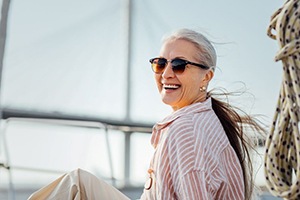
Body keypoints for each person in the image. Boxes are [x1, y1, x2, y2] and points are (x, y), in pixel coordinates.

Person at [28, 28, 264, 200]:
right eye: (161, 64)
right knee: (78, 182)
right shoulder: (204, 119)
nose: (166, 74)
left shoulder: (186, 129)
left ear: (206, 76)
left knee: (74, 186)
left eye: (179, 65)